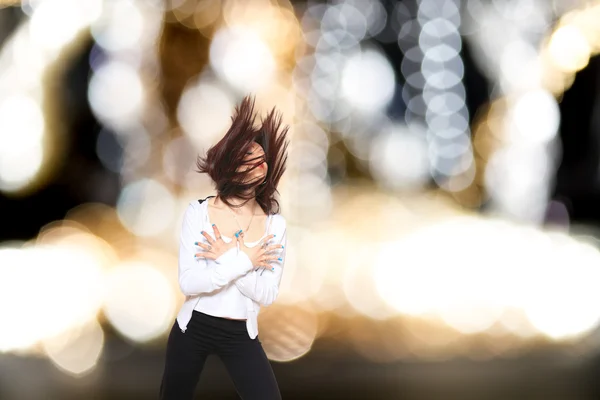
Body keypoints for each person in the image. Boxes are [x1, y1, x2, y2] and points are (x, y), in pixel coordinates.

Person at [159, 96, 289, 399]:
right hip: (194, 328)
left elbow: (267, 294)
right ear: (230, 164)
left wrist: (228, 257)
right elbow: (189, 282)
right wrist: (246, 261)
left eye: (262, 159)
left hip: (240, 333)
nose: (259, 164)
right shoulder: (198, 213)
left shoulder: (275, 226)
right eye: (249, 158)